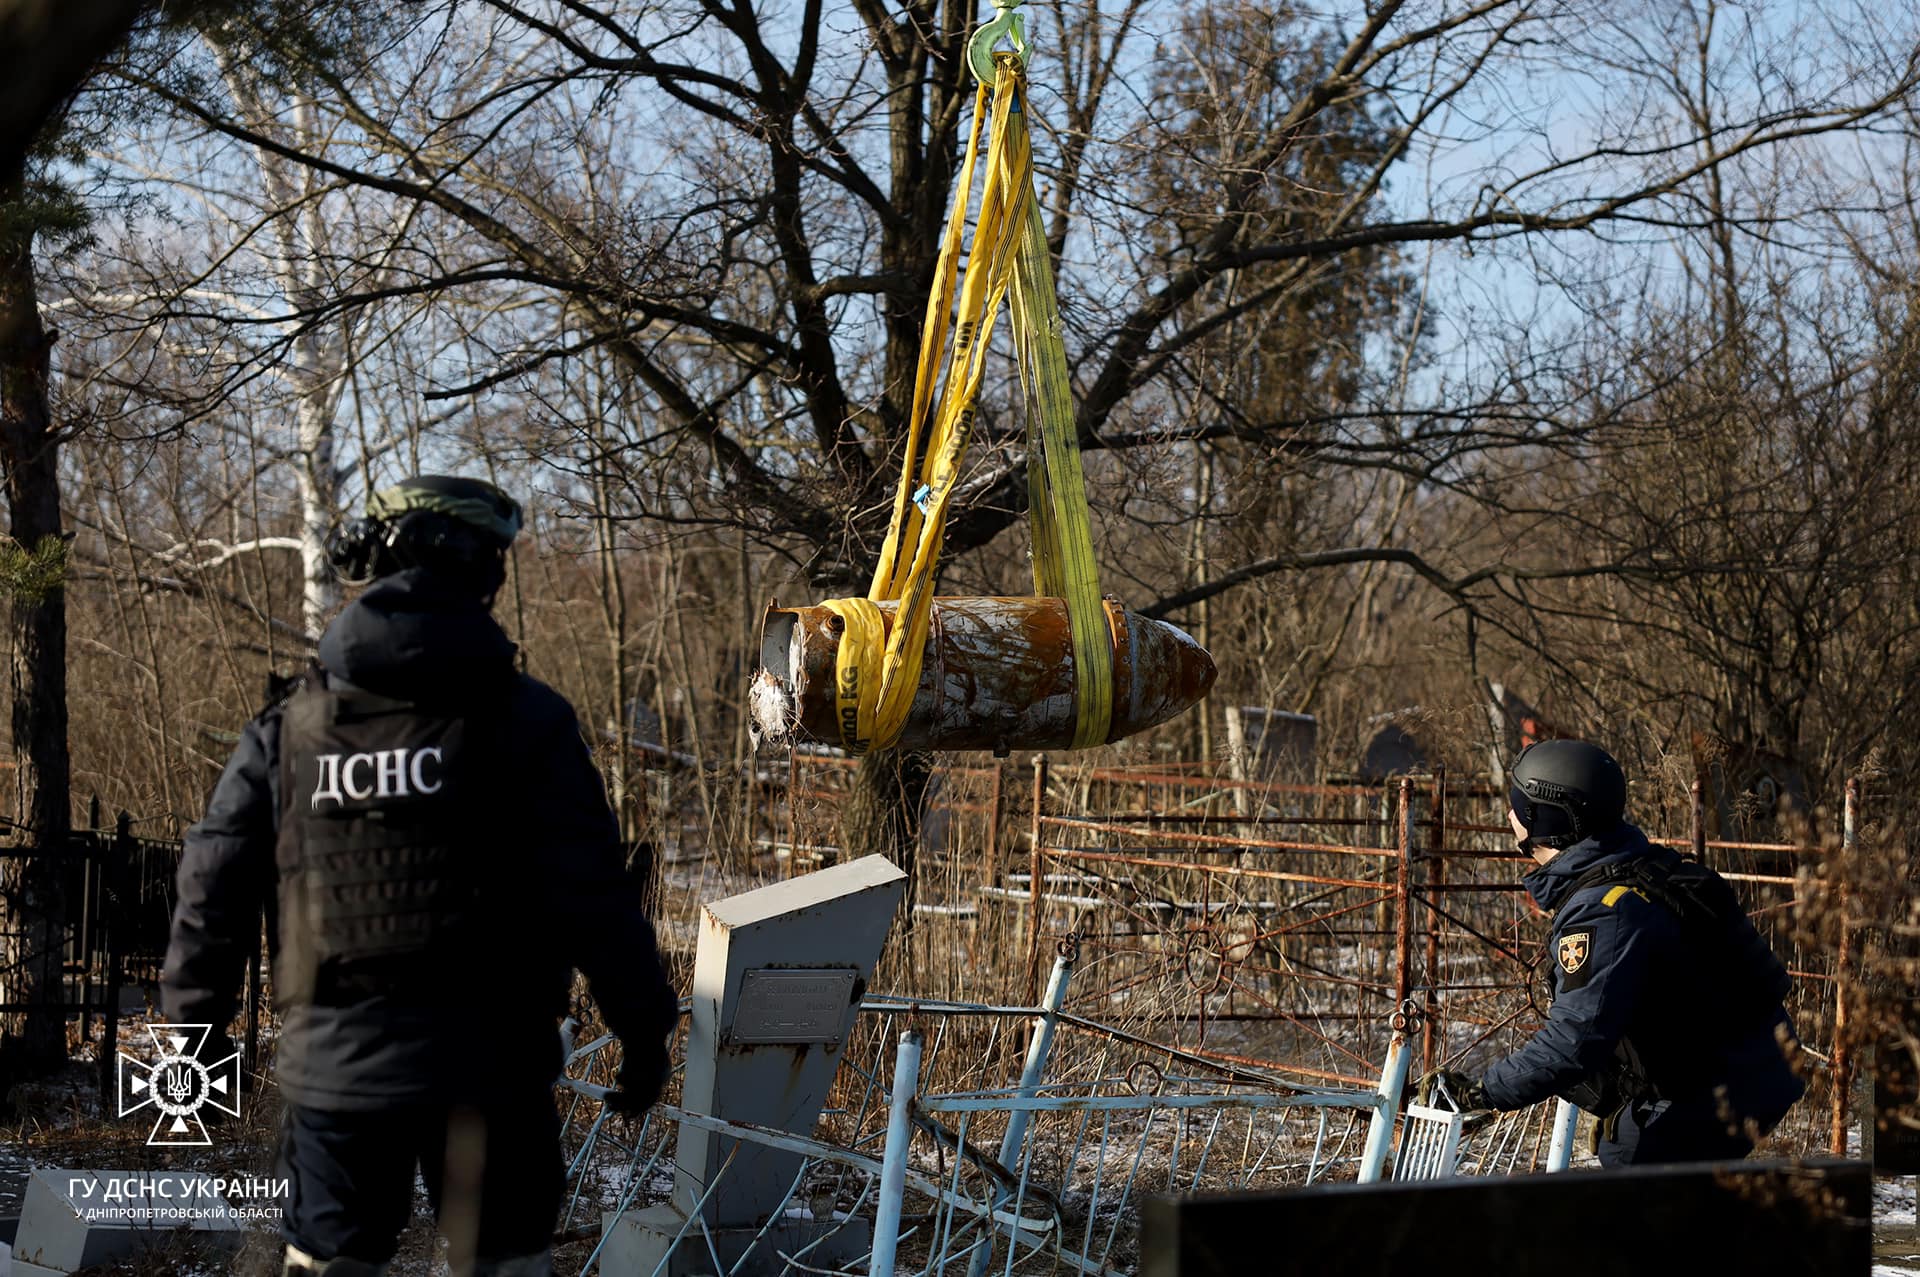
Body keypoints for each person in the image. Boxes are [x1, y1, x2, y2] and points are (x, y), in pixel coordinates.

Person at [161, 475, 679, 1277]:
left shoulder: (291, 728)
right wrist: (644, 1032)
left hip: (337, 1074)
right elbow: (594, 895)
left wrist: (196, 1032)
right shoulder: (530, 722)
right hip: (492, 1073)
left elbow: (211, 877)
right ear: (476, 570)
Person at [1423, 738, 1804, 1166]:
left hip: (1716, 1090)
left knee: (1626, 1164)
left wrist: (1482, 1092)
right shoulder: (1642, 867)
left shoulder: (1608, 909)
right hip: (1757, 1070)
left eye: (1517, 802)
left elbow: (1575, 1040)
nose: (1509, 813)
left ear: (1540, 816)